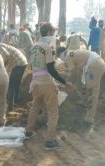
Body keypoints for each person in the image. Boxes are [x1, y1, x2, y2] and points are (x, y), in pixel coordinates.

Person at [25, 23, 74, 151]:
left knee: (35, 107)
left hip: (35, 82)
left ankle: (28, 131)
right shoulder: (48, 47)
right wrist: (64, 82)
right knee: (53, 112)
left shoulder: (34, 46)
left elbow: (31, 67)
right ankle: (50, 140)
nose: (54, 35)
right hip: (46, 83)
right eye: (52, 33)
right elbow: (51, 69)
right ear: (48, 33)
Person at [58, 47, 105, 128]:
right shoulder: (71, 53)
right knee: (85, 84)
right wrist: (67, 82)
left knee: (93, 92)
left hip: (95, 65)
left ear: (61, 55)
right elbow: (73, 72)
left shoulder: (68, 57)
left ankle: (89, 118)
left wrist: (67, 84)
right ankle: (83, 102)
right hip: (95, 63)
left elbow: (73, 73)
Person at [0, 43, 28, 111]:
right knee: (16, 83)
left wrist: (3, 65)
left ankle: (10, 106)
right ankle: (14, 101)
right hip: (23, 62)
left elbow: (7, 56)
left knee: (11, 85)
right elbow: (9, 61)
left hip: (18, 63)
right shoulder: (5, 46)